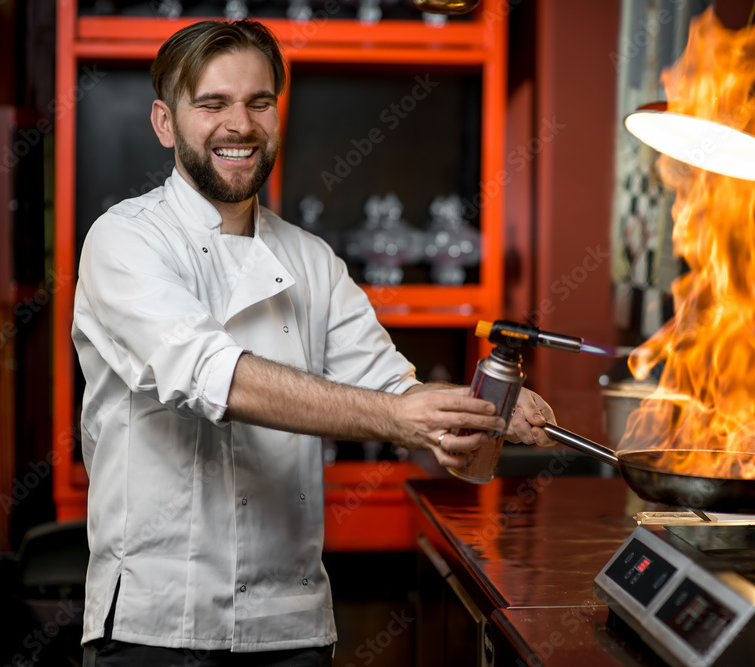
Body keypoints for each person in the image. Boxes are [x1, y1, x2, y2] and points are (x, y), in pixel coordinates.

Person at [72, 18, 556, 667]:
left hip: (289, 624)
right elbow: (210, 374)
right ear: (165, 122)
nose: (239, 124)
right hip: (160, 620)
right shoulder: (124, 239)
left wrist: (481, 408)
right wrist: (399, 415)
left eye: (258, 102)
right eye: (212, 103)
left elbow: (393, 388)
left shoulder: (313, 259)